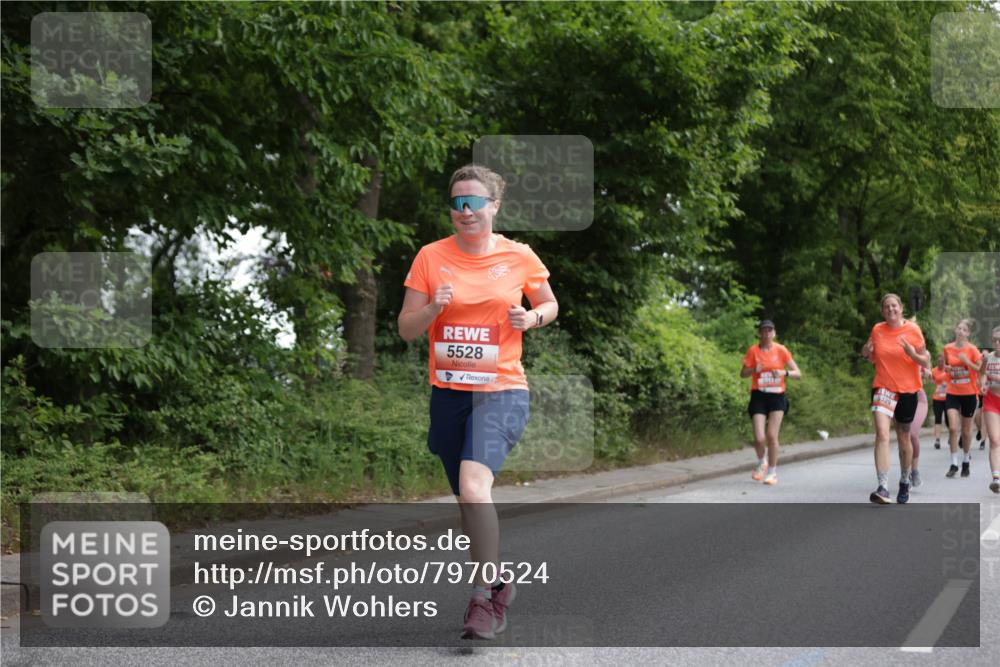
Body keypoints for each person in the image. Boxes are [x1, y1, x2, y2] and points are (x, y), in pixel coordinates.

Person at [398, 164, 557, 640]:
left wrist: (531, 318)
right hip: (449, 394)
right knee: (469, 502)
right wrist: (433, 308)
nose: (464, 211)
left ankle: (483, 598)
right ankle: (498, 581)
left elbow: (549, 303)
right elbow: (406, 329)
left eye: (473, 202)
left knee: (472, 487)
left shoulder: (518, 256)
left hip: (502, 389)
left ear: (494, 206)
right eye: (457, 203)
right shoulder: (430, 257)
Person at [861, 294, 930, 504]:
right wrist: (866, 351)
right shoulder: (877, 330)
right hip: (883, 387)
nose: (890, 309)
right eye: (886, 307)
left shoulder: (913, 330)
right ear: (883, 311)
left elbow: (925, 361)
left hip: (908, 390)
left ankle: (904, 480)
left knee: (903, 437)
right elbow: (870, 356)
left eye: (894, 306)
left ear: (901, 308)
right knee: (882, 433)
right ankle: (882, 487)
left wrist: (912, 353)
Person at [741, 320, 801, 486]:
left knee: (772, 435)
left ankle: (772, 473)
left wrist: (784, 373)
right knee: (759, 438)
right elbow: (743, 374)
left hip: (777, 396)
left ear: (774, 333)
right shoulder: (753, 350)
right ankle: (762, 462)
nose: (767, 333)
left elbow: (798, 373)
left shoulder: (781, 350)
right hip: (759, 396)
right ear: (759, 333)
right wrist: (754, 369)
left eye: (770, 330)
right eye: (764, 331)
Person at [943, 319, 982, 479]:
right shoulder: (947, 348)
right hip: (952, 392)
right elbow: (947, 367)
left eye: (964, 329)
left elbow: (980, 369)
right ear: (955, 330)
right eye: (959, 328)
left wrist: (967, 362)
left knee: (966, 432)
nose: (961, 331)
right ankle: (954, 464)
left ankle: (966, 461)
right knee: (953, 428)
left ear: (968, 333)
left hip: (969, 394)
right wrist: (947, 369)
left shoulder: (972, 350)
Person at [978, 325, 1000, 493]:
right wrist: (982, 384)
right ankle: (996, 478)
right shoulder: (988, 358)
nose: (997, 343)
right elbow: (981, 374)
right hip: (991, 400)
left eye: (999, 340)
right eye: (994, 340)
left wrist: (992, 376)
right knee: (994, 439)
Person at [931, 353, 949, 449]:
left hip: (948, 398)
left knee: (948, 419)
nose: (940, 363)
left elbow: (953, 381)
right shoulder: (934, 371)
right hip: (937, 398)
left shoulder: (948, 370)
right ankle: (937, 440)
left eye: (942, 361)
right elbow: (931, 380)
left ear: (945, 362)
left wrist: (947, 384)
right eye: (939, 361)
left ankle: (951, 435)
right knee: (937, 418)